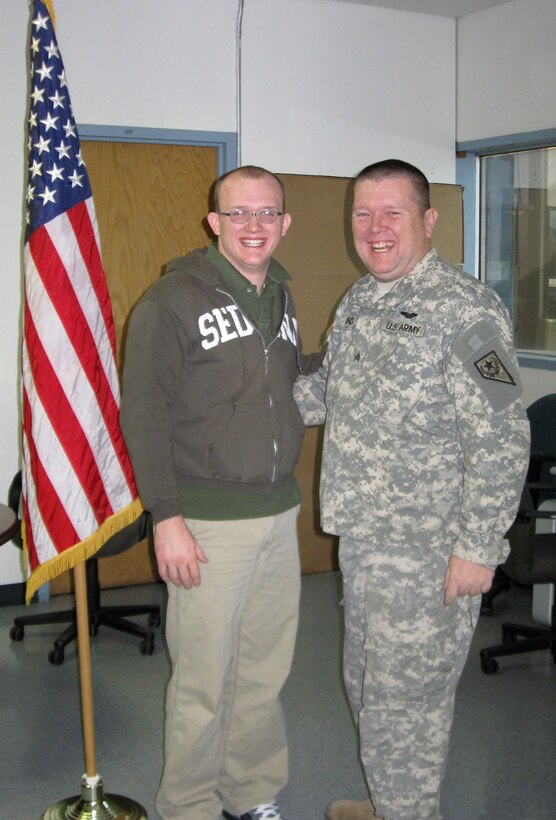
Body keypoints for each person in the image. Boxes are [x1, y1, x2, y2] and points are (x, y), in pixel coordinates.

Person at [293, 159, 530, 820]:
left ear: (427, 220)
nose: (374, 229)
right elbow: (326, 394)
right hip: (367, 545)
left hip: (430, 551)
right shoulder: (361, 299)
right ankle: (390, 803)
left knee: (407, 707)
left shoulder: (468, 308)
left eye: (391, 213)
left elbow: (505, 432)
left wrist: (480, 546)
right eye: (363, 214)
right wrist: (246, 405)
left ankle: (407, 810)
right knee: (369, 689)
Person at [121, 165, 321, 820]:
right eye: (239, 214)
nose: (254, 226)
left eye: (267, 213)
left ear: (284, 223)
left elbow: (284, 382)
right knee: (203, 682)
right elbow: (144, 414)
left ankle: (250, 791)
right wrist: (168, 517)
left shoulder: (283, 297)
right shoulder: (171, 301)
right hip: (206, 521)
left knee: (263, 671)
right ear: (214, 222)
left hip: (276, 511)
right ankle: (188, 808)